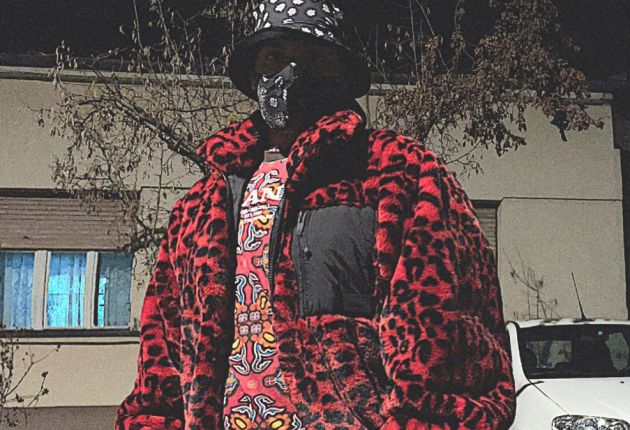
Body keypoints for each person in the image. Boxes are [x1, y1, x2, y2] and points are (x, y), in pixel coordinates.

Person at [116, 1, 516, 429]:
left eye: (313, 58)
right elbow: (162, 355)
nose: (291, 73)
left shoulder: (398, 172)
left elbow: (447, 345)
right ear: (252, 72)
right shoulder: (200, 206)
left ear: (340, 74)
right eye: (274, 56)